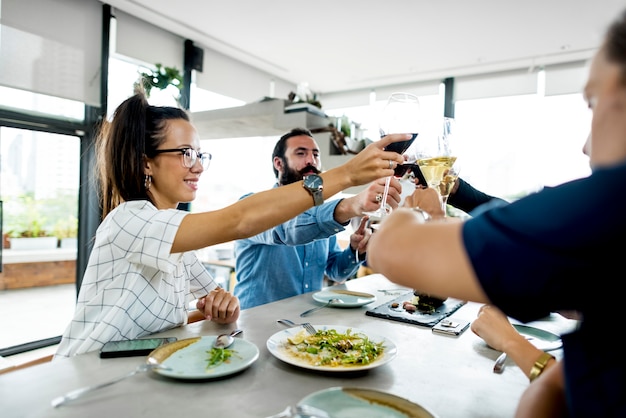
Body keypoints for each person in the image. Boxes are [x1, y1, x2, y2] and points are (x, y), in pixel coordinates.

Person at [368, 8, 626, 417]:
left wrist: (408, 211)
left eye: (594, 101)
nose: (585, 147)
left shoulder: (613, 206)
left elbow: (391, 251)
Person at [55, 92, 408, 358]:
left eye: (199, 154)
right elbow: (241, 220)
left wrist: (223, 304)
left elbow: (216, 302)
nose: (198, 167)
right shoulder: (129, 219)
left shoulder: (175, 238)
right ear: (146, 163)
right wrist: (346, 176)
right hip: (83, 373)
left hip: (138, 371)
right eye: (185, 154)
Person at [233, 128, 403, 309]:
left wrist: (355, 250)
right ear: (279, 163)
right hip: (255, 324)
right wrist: (350, 205)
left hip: (304, 325)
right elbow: (288, 230)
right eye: (301, 153)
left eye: (316, 154)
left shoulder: (319, 212)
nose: (311, 161)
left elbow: (336, 272)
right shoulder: (251, 205)